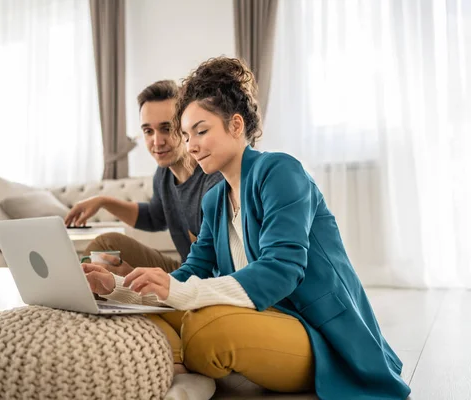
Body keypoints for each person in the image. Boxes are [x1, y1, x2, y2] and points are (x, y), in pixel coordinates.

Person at [81, 57, 412, 400]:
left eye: (201, 131)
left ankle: (180, 362)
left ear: (236, 126)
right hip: (262, 319)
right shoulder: (215, 200)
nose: (191, 145)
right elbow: (192, 271)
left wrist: (181, 295)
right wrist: (117, 289)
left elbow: (281, 272)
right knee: (149, 315)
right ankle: (182, 369)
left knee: (206, 330)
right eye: (186, 134)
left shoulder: (280, 172)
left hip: (319, 334)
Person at [65, 80, 222, 276]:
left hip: (205, 281)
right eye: (148, 131)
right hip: (184, 272)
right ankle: (77, 292)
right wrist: (103, 201)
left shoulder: (213, 180)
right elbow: (154, 217)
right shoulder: (164, 174)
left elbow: (211, 271)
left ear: (186, 126)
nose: (157, 141)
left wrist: (136, 279)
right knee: (106, 245)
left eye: (167, 128)